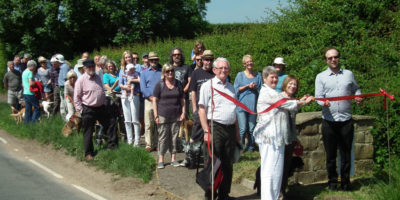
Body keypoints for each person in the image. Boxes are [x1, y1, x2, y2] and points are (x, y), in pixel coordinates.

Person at [254, 66, 313, 200]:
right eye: (271, 77)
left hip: (278, 138)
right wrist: (303, 102)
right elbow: (287, 104)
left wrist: (300, 101)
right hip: (269, 138)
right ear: (264, 79)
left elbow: (288, 103)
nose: (274, 79)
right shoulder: (267, 92)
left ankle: (274, 197)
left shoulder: (273, 92)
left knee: (277, 172)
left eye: (276, 77)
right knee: (270, 172)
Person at [315, 48, 362, 191]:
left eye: (335, 57)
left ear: (339, 58)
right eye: (329, 58)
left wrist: (358, 96)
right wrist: (323, 102)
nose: (333, 60)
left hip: (346, 121)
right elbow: (318, 97)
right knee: (330, 156)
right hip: (329, 122)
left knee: (346, 154)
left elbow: (356, 89)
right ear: (326, 60)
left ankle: (346, 183)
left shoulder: (349, 74)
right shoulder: (321, 77)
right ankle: (332, 183)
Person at [198, 57, 239, 200]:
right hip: (215, 127)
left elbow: (235, 111)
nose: (223, 70)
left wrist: (237, 133)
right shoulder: (207, 86)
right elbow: (202, 109)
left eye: (226, 68)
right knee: (213, 163)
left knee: (228, 163)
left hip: (230, 129)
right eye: (220, 68)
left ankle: (224, 194)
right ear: (214, 70)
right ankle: (210, 195)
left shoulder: (231, 87)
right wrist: (205, 130)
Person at [74, 59, 119, 161]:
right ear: (85, 68)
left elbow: (102, 91)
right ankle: (88, 153)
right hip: (88, 108)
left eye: (92, 67)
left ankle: (112, 146)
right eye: (89, 67)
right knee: (88, 131)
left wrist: (103, 102)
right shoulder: (81, 80)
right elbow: (77, 97)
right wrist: (80, 110)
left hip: (101, 107)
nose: (91, 69)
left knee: (111, 123)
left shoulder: (98, 77)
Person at [180, 50, 215, 167]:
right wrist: (194, 109)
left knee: (210, 134)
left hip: (213, 110)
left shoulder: (215, 73)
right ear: (202, 60)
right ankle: (190, 158)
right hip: (200, 109)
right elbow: (193, 91)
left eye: (210, 59)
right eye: (206, 59)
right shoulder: (196, 73)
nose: (208, 62)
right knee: (195, 134)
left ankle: (208, 159)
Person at [152, 63, 185, 169]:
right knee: (163, 137)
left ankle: (173, 158)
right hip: (163, 114)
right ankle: (161, 159)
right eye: (168, 71)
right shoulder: (160, 84)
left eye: (172, 70)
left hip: (176, 114)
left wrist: (183, 112)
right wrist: (156, 115)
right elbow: (154, 100)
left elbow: (182, 100)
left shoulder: (179, 84)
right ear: (164, 73)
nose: (170, 73)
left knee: (174, 137)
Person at [279, 75, 303, 199]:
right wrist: (302, 102)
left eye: (295, 85)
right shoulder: (279, 97)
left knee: (286, 167)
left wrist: (296, 138)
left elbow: (293, 121)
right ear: (285, 84)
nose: (293, 86)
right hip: (280, 138)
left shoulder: (293, 99)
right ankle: (276, 192)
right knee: (278, 167)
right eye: (291, 84)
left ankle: (282, 191)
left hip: (290, 138)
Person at [233, 55, 263, 152]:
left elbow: (262, 91)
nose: (250, 63)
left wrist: (255, 88)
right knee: (242, 128)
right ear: (244, 64)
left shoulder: (258, 75)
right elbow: (235, 90)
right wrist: (246, 86)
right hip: (241, 106)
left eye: (251, 61)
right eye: (248, 62)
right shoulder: (240, 75)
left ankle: (251, 147)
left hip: (253, 106)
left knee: (252, 128)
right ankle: (240, 147)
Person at [140, 52, 162, 151]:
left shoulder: (162, 72)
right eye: (152, 60)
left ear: (158, 60)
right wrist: (150, 97)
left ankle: (157, 143)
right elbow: (143, 87)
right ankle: (149, 144)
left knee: (159, 122)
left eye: (155, 60)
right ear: (149, 61)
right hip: (148, 100)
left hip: (160, 100)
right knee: (148, 123)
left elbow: (164, 85)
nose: (154, 61)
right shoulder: (144, 72)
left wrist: (158, 97)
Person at [120, 63, 141, 146]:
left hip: (134, 95)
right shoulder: (122, 72)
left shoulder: (136, 73)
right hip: (125, 96)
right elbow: (120, 84)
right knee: (127, 120)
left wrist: (131, 80)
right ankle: (130, 140)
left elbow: (139, 80)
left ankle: (137, 141)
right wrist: (125, 87)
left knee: (135, 120)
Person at [169, 47, 192, 117]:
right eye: (174, 54)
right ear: (172, 56)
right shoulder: (169, 68)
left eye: (178, 54)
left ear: (181, 55)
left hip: (184, 97)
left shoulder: (187, 67)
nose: (176, 56)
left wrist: (183, 91)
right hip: (172, 97)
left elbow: (190, 81)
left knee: (185, 118)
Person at [54, 54, 70, 121]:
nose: (55, 63)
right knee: (62, 105)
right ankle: (64, 119)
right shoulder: (62, 67)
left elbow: (66, 78)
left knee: (64, 104)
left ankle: (66, 120)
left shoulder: (64, 67)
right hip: (61, 87)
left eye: (56, 61)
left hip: (63, 88)